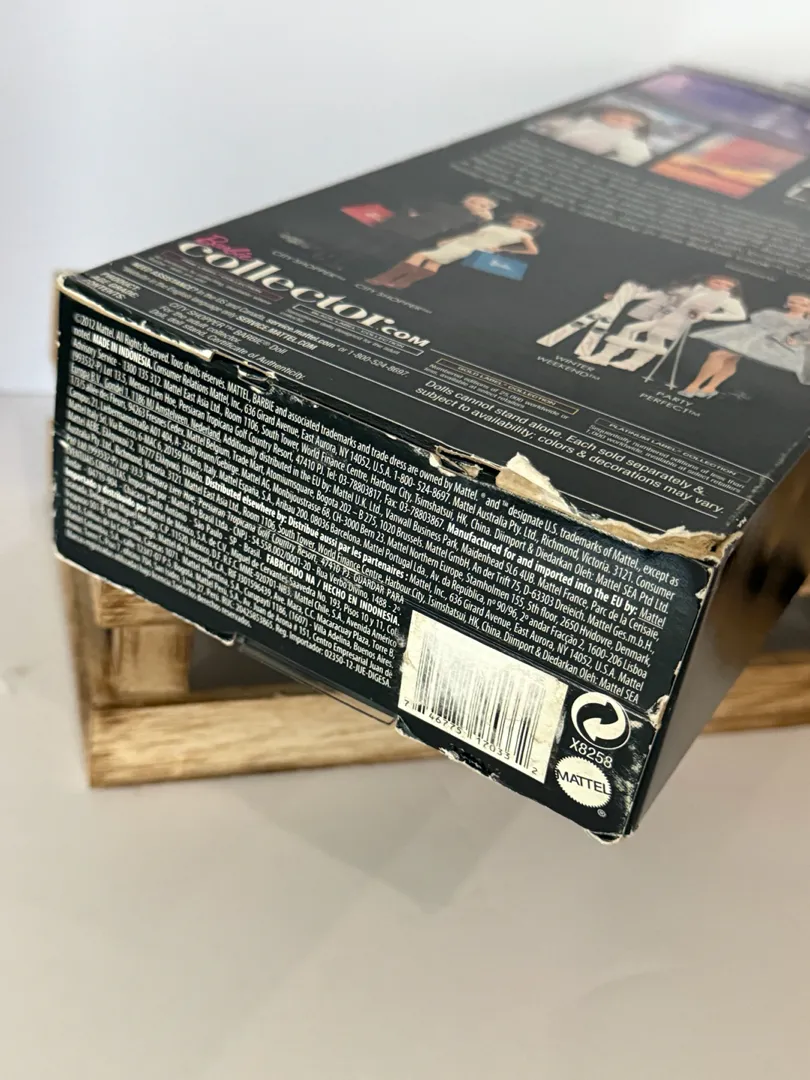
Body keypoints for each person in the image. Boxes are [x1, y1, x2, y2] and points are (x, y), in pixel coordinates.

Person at [585, 275, 746, 371]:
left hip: (678, 321)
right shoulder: (692, 288)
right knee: (651, 337)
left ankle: (618, 359)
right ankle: (621, 360)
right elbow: (660, 294)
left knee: (637, 331)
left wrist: (708, 316)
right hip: (663, 315)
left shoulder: (726, 299)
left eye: (727, 285)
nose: (722, 286)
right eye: (718, 282)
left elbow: (739, 315)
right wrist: (624, 296)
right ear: (708, 279)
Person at [681, 293, 810, 398]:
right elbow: (756, 321)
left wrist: (798, 341)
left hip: (771, 344)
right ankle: (709, 388)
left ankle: (694, 386)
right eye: (793, 302)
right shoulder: (771, 313)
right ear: (787, 303)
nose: (797, 305)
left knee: (717, 355)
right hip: (749, 337)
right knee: (730, 360)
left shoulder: (805, 323)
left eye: (803, 305)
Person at [367, 213, 543, 289]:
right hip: (463, 242)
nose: (521, 223)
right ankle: (402, 282)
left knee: (420, 255)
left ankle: (386, 278)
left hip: (472, 248)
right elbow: (473, 234)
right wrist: (451, 239)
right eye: (520, 220)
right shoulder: (496, 225)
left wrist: (502, 249)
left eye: (527, 224)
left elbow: (533, 251)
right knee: (434, 262)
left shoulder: (523, 235)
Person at [531, 106, 653, 166]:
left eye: (632, 122)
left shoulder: (631, 141)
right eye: (618, 118)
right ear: (604, 114)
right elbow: (541, 126)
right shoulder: (576, 121)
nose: (624, 122)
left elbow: (635, 160)